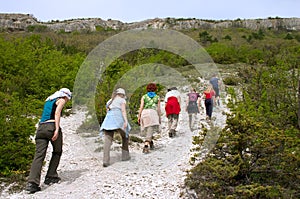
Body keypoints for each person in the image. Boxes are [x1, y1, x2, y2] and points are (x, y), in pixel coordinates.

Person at [26, 88, 72, 194]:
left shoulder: (48, 100)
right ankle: (51, 176)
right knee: (57, 151)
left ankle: (32, 183)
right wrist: (56, 129)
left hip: (41, 127)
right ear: (66, 95)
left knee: (39, 155)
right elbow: (57, 113)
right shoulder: (61, 99)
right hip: (51, 126)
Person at [99, 88, 131, 167]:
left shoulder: (109, 101)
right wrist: (126, 121)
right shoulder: (122, 100)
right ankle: (125, 156)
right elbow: (123, 111)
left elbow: (107, 111)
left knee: (107, 140)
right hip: (118, 118)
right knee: (125, 136)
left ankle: (105, 161)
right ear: (122, 95)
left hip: (109, 120)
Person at [137, 83, 161, 153]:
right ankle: (146, 144)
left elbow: (141, 107)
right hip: (153, 113)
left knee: (146, 128)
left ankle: (151, 142)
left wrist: (139, 116)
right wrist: (159, 117)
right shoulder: (157, 97)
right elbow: (159, 109)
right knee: (151, 128)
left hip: (145, 112)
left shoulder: (144, 97)